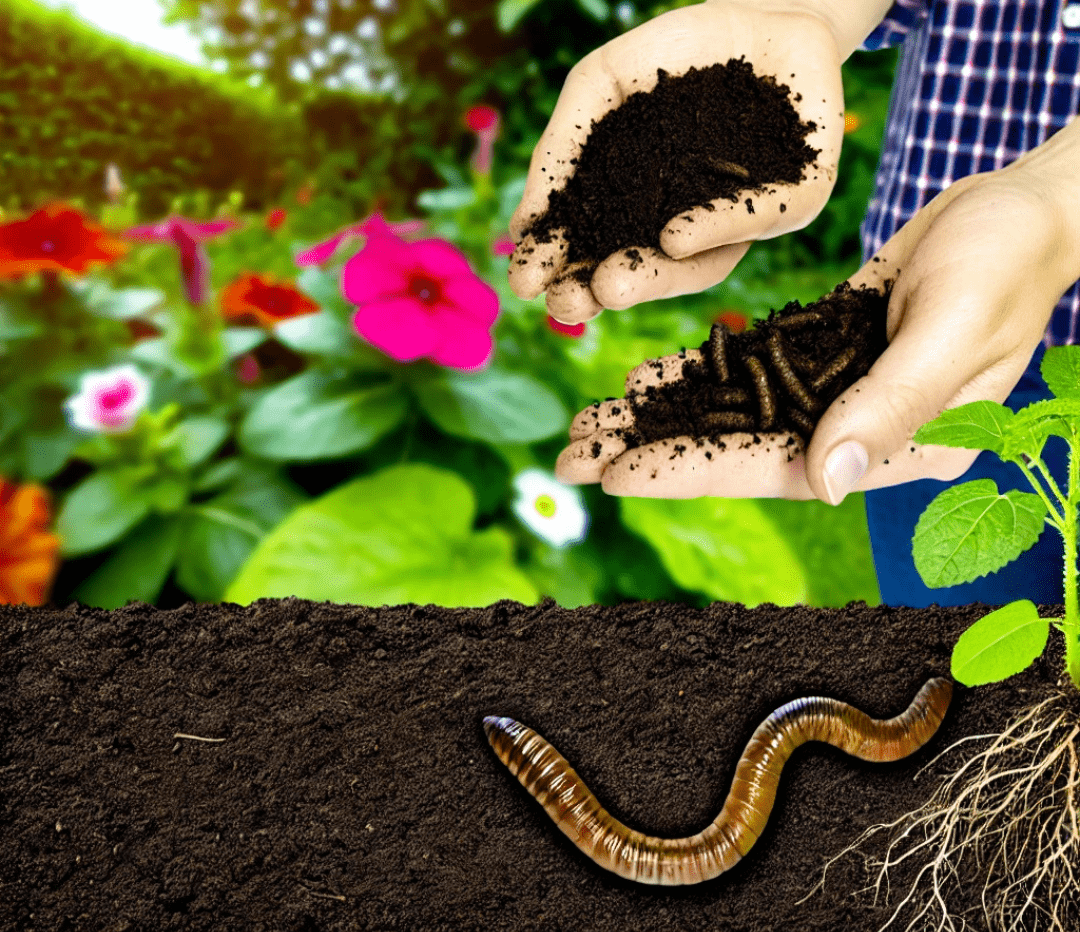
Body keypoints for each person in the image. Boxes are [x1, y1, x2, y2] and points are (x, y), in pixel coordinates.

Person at [507, 0, 1080, 607]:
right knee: (960, 665)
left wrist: (1058, 197)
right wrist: (802, 12)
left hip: (988, 265)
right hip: (919, 314)